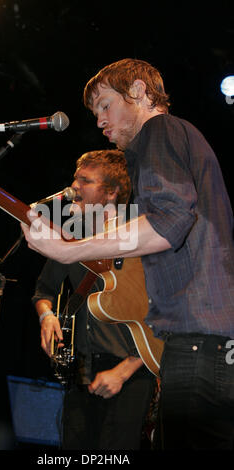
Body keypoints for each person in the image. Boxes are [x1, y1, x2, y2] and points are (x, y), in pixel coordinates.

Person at [22, 58, 234, 450]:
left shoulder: (159, 130)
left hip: (197, 340)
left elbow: (168, 222)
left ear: (138, 91)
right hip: (209, 340)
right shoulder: (181, 139)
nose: (100, 120)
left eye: (105, 104)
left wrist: (72, 251)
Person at [32, 149, 156, 450]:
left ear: (112, 192)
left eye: (85, 181)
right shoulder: (74, 233)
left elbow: (167, 315)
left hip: (131, 374)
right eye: (75, 179)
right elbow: (44, 290)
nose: (74, 188)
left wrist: (123, 372)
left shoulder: (141, 234)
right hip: (81, 370)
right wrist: (46, 316)